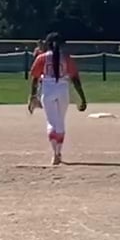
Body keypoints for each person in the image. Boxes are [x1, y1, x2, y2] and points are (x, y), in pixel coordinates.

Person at [27, 32, 87, 165]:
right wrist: (82, 98)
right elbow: (75, 79)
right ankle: (59, 152)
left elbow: (35, 78)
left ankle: (54, 153)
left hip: (47, 89)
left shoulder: (42, 57)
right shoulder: (66, 58)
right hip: (62, 89)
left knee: (51, 122)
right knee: (60, 122)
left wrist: (32, 96)